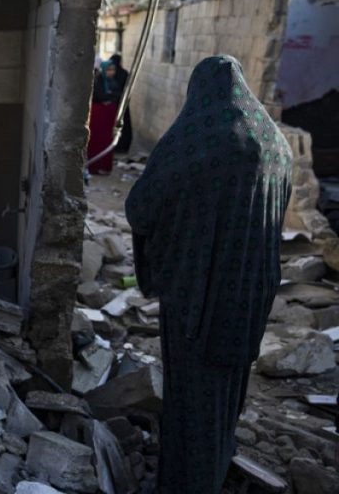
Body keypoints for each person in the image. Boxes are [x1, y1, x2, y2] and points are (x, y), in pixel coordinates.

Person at [125, 55, 292, 493]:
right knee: (227, 395)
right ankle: (214, 470)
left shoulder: (198, 138)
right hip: (252, 295)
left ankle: (188, 483)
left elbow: (141, 207)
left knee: (192, 400)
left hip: (198, 298)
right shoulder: (274, 141)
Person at [110, 54, 134, 153]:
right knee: (124, 124)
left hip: (115, 103)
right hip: (122, 103)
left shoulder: (113, 73)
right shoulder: (125, 73)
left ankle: (116, 146)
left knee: (117, 124)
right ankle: (123, 147)